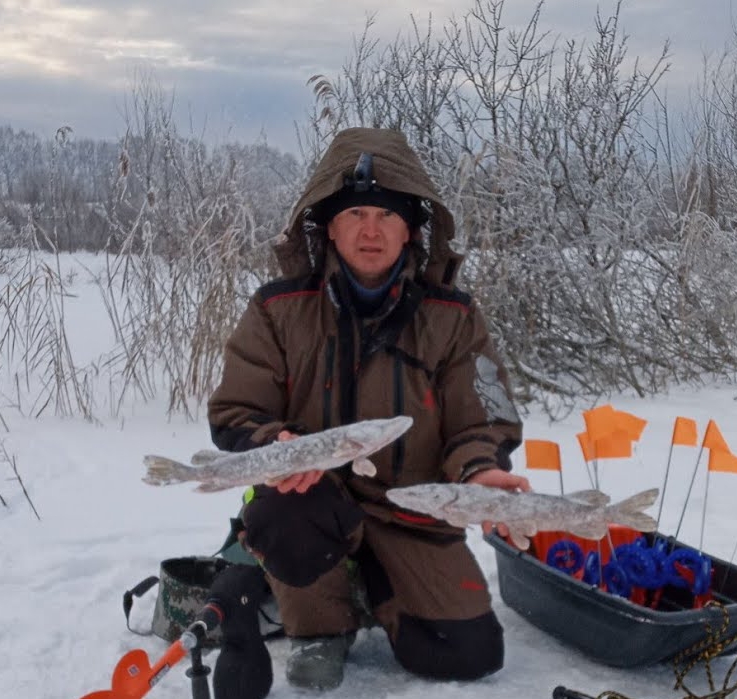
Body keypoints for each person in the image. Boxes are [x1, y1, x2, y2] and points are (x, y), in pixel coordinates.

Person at [207, 127, 528, 691]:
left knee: (467, 654)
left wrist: (480, 472)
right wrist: (276, 446)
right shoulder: (278, 309)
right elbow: (236, 412)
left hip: (412, 512)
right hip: (311, 503)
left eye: (387, 215)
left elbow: (479, 421)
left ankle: (368, 579)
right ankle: (319, 625)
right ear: (329, 224)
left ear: (412, 229)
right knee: (282, 514)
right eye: (355, 213)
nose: (371, 229)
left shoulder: (453, 317)